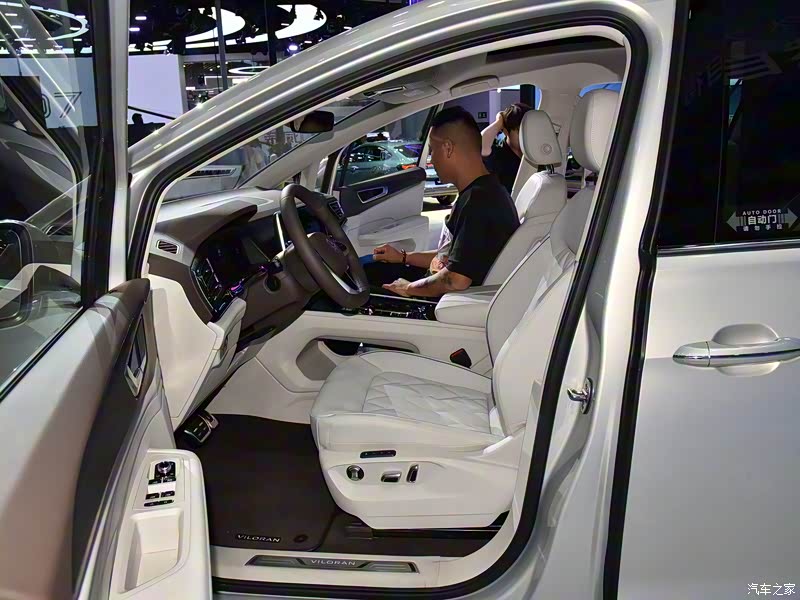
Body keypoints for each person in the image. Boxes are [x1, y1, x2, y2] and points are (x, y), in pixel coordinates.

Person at [370, 106, 519, 298]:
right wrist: (403, 257)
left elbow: (455, 280)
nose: (431, 159)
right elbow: (451, 258)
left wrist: (408, 289)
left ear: (448, 148)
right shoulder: (484, 191)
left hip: (446, 303)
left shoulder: (478, 201)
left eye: (432, 150)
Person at [481, 102, 532, 194]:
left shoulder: (536, 154)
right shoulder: (498, 154)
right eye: (520, 131)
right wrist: (499, 121)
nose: (525, 136)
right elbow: (479, 144)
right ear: (506, 131)